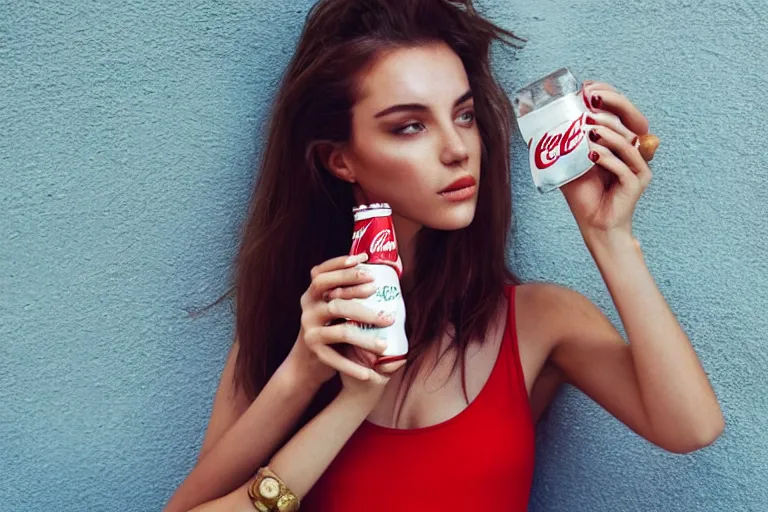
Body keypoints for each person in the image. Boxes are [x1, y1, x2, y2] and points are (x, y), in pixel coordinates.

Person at [165, 0, 724, 510]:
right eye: (410, 126)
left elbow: (690, 427)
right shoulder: (294, 330)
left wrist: (609, 236)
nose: (457, 149)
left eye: (463, 115)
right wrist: (305, 377)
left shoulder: (538, 320)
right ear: (342, 161)